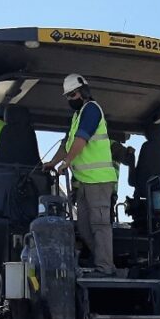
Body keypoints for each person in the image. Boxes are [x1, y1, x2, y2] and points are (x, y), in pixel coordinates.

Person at [43, 73, 118, 276]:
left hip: (100, 180)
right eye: (67, 96)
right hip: (85, 181)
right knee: (84, 226)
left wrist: (66, 162)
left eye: (73, 94)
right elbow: (67, 143)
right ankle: (102, 263)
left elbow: (81, 140)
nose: (70, 99)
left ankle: (105, 268)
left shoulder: (92, 110)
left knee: (100, 225)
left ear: (83, 92)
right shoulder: (78, 115)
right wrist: (52, 163)